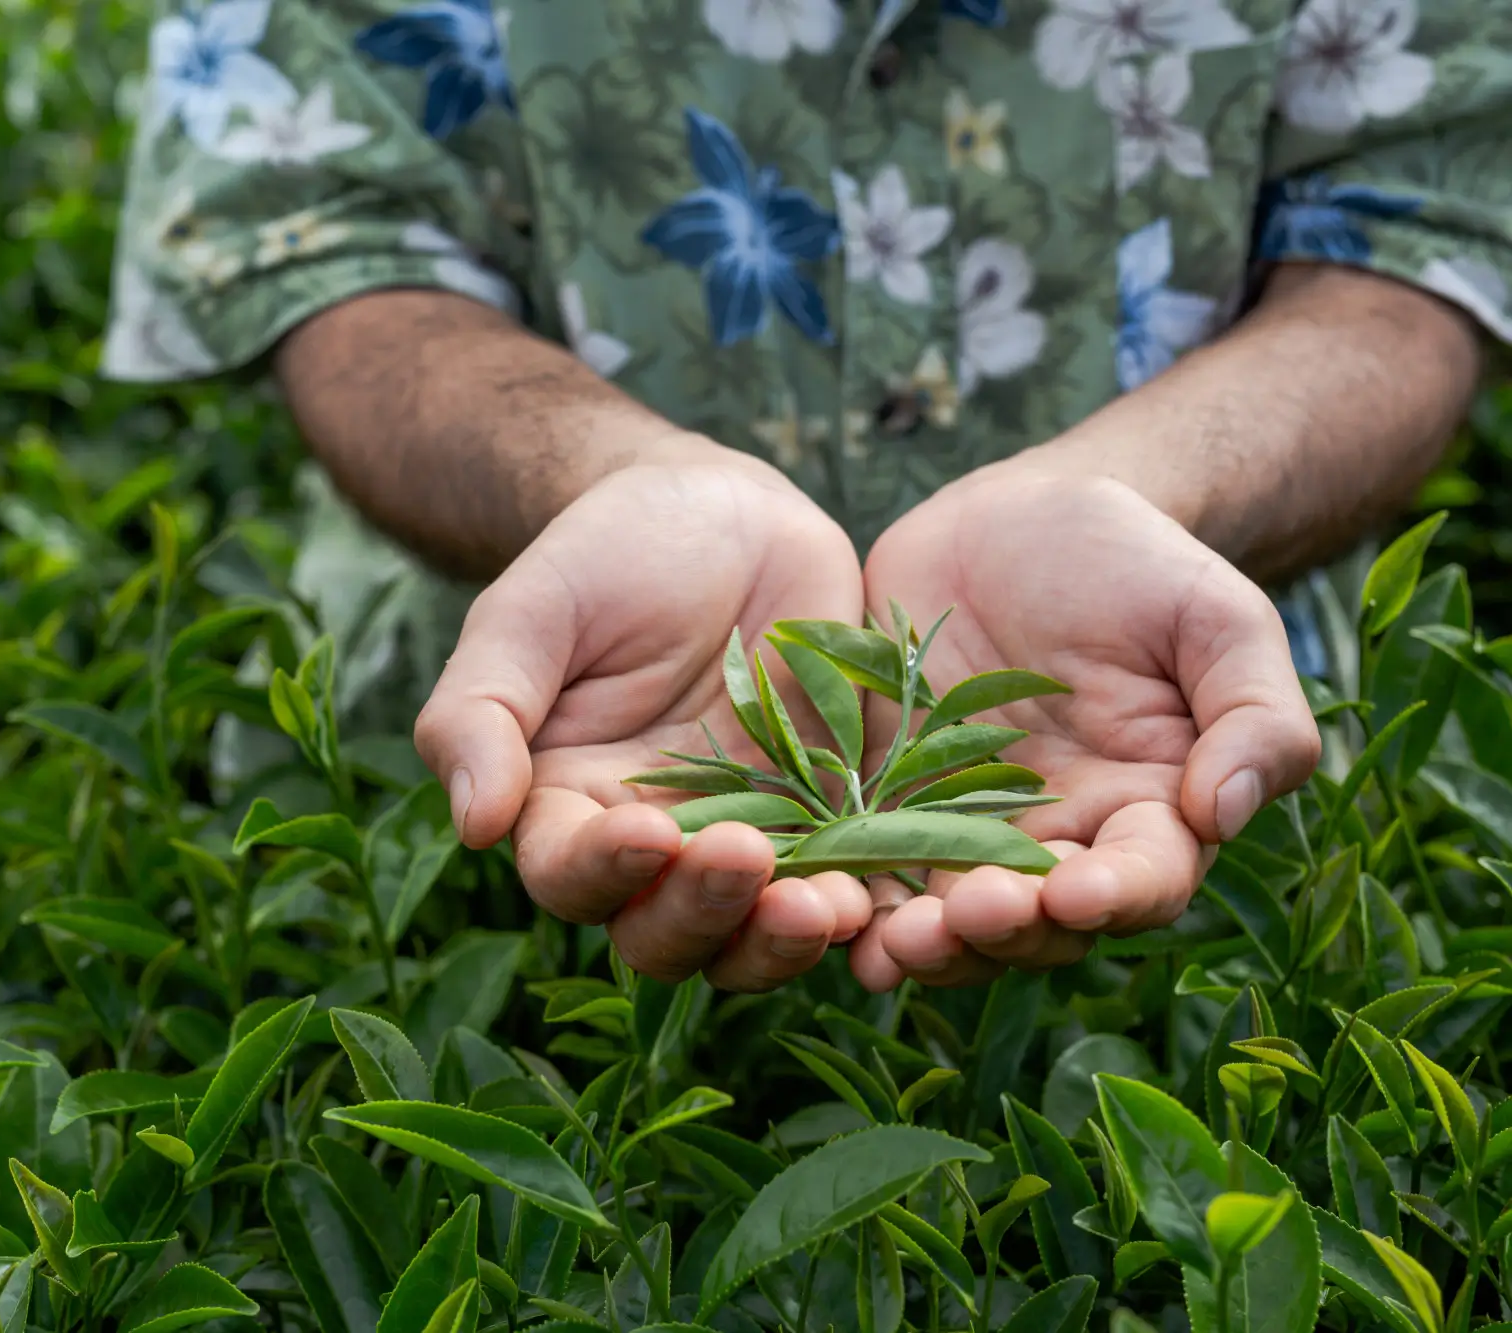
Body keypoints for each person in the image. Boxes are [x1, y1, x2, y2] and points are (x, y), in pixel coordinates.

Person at [100, 0, 1510, 995]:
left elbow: (1418, 230)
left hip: (1181, 769)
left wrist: (1136, 491)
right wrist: (612, 479)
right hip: (520, 756)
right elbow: (340, 248)